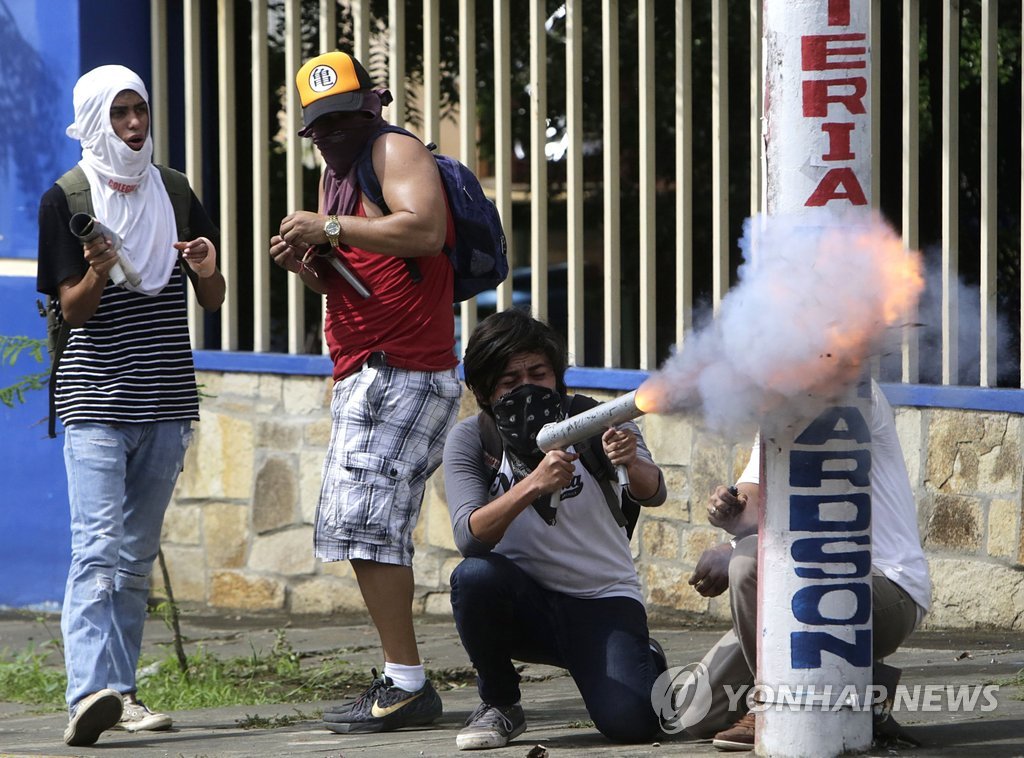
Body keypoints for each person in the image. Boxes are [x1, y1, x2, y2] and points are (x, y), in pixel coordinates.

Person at [268, 51, 461, 734]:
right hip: (369, 367)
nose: (333, 134)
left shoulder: (394, 149)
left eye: (344, 118)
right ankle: (400, 675)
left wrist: (330, 228)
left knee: (370, 526)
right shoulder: (340, 175)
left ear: (373, 104)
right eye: (321, 126)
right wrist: (310, 264)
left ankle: (407, 683)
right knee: (358, 525)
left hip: (403, 366)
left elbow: (427, 231)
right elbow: (356, 274)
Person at [36, 65, 226, 747]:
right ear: (94, 120)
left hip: (167, 398)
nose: (134, 125)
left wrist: (207, 267)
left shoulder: (172, 190)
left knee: (135, 556)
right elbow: (73, 309)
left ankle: (123, 693)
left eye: (139, 111)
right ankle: (89, 693)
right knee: (96, 550)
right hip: (95, 399)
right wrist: (96, 266)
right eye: (119, 115)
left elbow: (212, 296)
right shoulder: (67, 197)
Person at [442, 309, 669, 751]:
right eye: (509, 382)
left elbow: (652, 492)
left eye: (538, 373)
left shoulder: (595, 419)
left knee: (631, 725)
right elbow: (470, 537)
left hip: (602, 598)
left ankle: (639, 658)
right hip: (523, 603)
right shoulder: (472, 440)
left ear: (557, 376)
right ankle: (500, 703)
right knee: (473, 578)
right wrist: (533, 485)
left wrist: (631, 461)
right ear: (485, 393)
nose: (526, 388)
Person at [685, 379, 931, 751]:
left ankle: (772, 706)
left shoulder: (847, 390)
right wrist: (728, 514)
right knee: (692, 713)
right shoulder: (775, 404)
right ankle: (865, 687)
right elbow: (752, 501)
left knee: (749, 561)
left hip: (882, 583)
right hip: (797, 590)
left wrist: (737, 548)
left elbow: (815, 514)